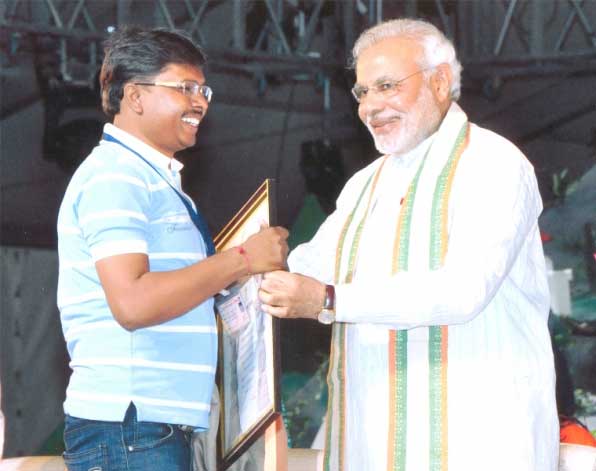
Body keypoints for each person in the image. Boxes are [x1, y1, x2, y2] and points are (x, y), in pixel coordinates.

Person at [259, 18, 559, 470]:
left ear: (439, 82)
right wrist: (247, 267)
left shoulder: (493, 162)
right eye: (362, 92)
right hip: (375, 438)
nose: (370, 107)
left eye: (386, 86)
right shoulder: (365, 184)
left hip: (477, 435)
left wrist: (328, 300)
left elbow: (463, 290)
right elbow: (312, 269)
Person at [57, 27, 288, 471]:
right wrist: (242, 259)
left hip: (149, 427)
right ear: (135, 96)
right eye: (185, 88)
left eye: (203, 90)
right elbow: (133, 303)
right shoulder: (115, 175)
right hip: (132, 428)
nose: (200, 102)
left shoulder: (152, 179)